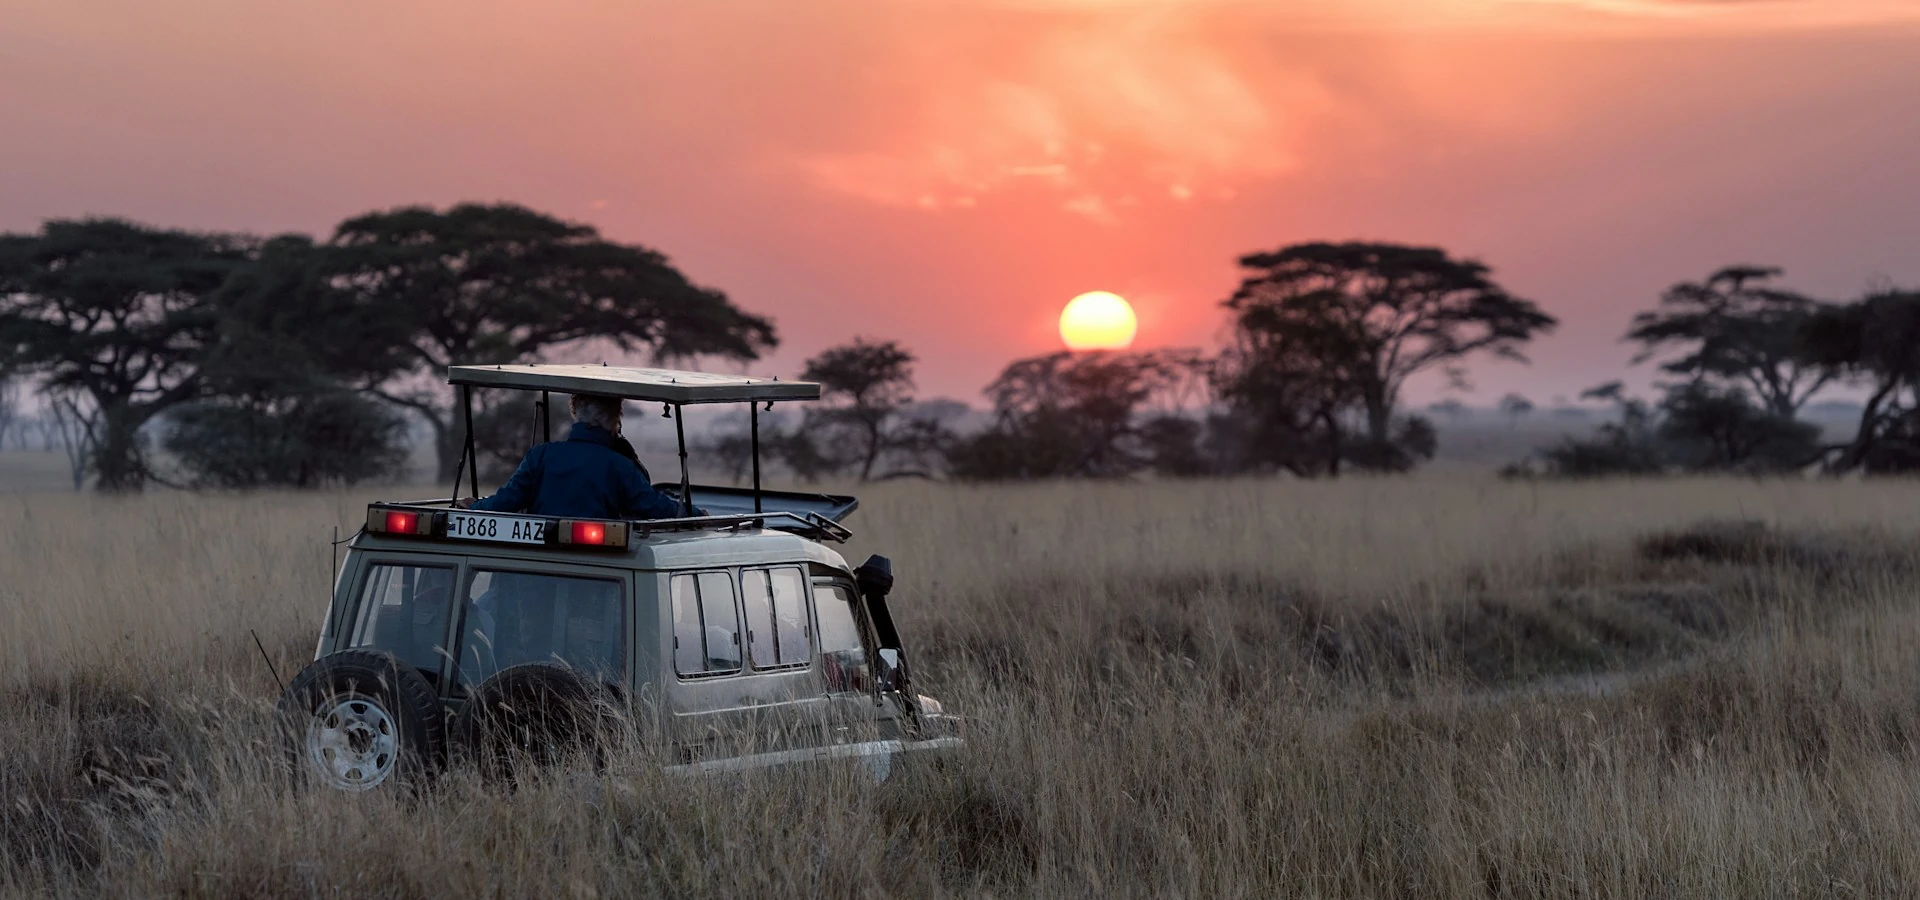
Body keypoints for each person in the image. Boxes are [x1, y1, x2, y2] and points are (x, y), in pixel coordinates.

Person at [459, 393, 700, 520]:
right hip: (598, 572)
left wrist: (476, 507)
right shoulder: (619, 466)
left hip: (539, 571)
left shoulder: (540, 456)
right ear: (616, 419)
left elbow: (507, 501)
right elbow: (652, 505)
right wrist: (696, 515)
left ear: (575, 413)